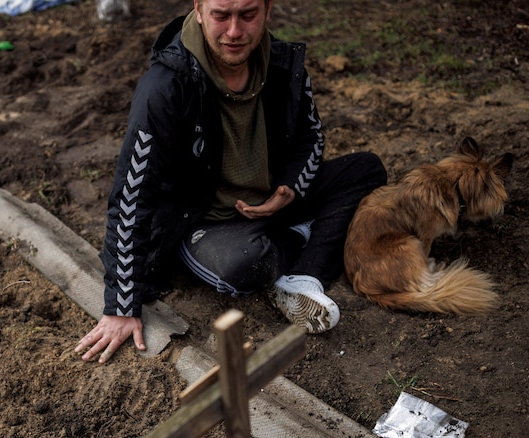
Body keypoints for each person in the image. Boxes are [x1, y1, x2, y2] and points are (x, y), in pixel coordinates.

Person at [75, 0, 387, 363]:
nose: (235, 32)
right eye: (221, 15)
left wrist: (289, 188)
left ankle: (304, 276)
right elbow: (131, 195)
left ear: (268, 9)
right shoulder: (165, 86)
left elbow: (310, 138)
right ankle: (302, 234)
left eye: (248, 15)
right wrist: (121, 306)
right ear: (199, 9)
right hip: (204, 221)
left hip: (272, 199)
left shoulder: (284, 63)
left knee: (366, 169)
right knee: (243, 266)